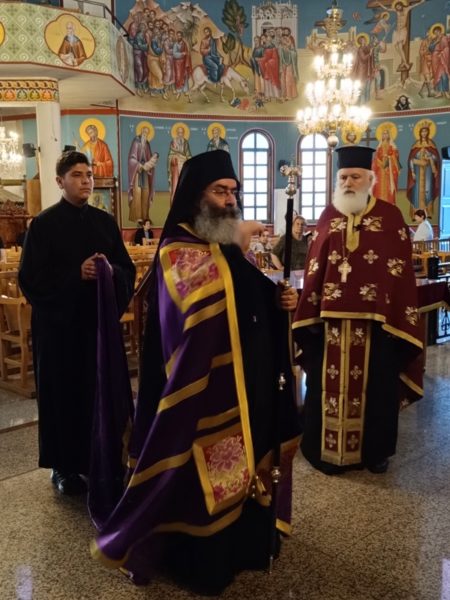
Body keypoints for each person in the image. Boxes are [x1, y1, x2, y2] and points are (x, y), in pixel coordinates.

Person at [91, 150, 300, 595]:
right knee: (202, 477)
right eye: (220, 191)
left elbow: (248, 293)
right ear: (195, 197)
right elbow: (202, 307)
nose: (230, 200)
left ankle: (246, 545)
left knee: (244, 468)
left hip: (244, 386)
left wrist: (278, 300)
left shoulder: (221, 243)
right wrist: (239, 243)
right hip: (199, 394)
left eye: (234, 192)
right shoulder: (177, 249)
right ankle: (202, 563)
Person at [292, 145, 422, 476]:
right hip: (329, 325)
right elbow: (315, 267)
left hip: (379, 326)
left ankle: (375, 452)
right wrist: (311, 309)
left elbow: (400, 272)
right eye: (343, 178)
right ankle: (325, 451)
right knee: (325, 386)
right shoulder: (328, 216)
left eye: (355, 177)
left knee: (377, 387)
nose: (348, 183)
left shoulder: (391, 217)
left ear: (370, 179)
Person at [18, 151, 135, 496]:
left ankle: (106, 459)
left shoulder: (105, 222)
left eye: (89, 174)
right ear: (60, 181)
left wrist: (110, 272)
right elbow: (31, 279)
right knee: (64, 396)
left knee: (100, 392)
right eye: (77, 175)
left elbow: (127, 270)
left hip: (97, 327)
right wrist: (76, 275)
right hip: (59, 330)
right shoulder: (43, 225)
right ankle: (64, 466)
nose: (86, 181)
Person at [406, 122, 440, 215]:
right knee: (416, 191)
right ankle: (416, 211)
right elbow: (410, 159)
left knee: (428, 189)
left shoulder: (431, 144)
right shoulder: (416, 144)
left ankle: (427, 211)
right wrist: (412, 171)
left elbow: (436, 159)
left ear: (428, 132)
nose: (424, 133)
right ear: (419, 133)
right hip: (417, 171)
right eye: (422, 132)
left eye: (425, 131)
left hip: (428, 172)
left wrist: (430, 157)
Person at [128, 125, 158, 222]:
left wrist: (151, 163)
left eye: (147, 133)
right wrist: (139, 165)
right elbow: (131, 159)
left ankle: (145, 217)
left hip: (145, 173)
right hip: (137, 171)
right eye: (144, 132)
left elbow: (149, 158)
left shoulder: (147, 144)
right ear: (141, 132)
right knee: (137, 193)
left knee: (146, 193)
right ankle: (137, 217)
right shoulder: (136, 142)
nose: (145, 134)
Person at [372, 124, 401, 204]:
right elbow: (376, 159)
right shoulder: (379, 147)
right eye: (383, 133)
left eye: (386, 133)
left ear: (389, 135)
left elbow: (396, 158)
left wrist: (389, 158)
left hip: (389, 172)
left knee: (389, 190)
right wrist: (381, 163)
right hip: (380, 172)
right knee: (379, 189)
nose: (385, 135)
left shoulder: (393, 146)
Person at [167, 124, 192, 203]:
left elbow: (188, 154)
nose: (180, 134)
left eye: (181, 133)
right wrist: (173, 159)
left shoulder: (185, 142)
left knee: (184, 187)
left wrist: (190, 160)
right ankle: (174, 203)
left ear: (183, 133)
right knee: (175, 187)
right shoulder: (173, 142)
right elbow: (170, 155)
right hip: (175, 168)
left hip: (184, 167)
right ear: (177, 133)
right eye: (179, 132)